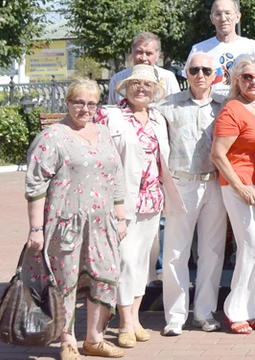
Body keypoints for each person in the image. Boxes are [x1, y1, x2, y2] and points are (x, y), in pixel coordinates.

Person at [24, 78, 128, 360]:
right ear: (68, 103)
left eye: (91, 103)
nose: (85, 109)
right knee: (65, 281)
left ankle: (94, 339)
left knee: (104, 278)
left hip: (102, 222)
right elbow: (35, 185)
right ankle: (67, 341)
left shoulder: (104, 133)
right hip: (65, 222)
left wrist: (120, 217)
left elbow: (116, 175)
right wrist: (36, 229)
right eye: (79, 102)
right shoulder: (53, 137)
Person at [95, 65, 181, 349]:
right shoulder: (110, 115)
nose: (141, 88)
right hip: (121, 203)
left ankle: (135, 318)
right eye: (136, 84)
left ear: (155, 91)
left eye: (148, 85)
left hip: (152, 200)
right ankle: (125, 323)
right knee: (125, 261)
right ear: (126, 87)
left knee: (144, 260)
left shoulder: (158, 118)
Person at [157, 52, 227, 336]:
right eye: (195, 69)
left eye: (206, 70)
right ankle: (174, 316)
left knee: (211, 251)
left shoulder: (224, 106)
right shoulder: (167, 106)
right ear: (186, 73)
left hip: (214, 184)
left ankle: (204, 312)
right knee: (175, 252)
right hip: (181, 183)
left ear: (215, 75)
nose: (200, 75)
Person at [210, 56, 255, 335]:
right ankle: (233, 309)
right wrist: (240, 187)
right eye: (247, 76)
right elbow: (218, 154)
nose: (253, 82)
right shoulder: (232, 110)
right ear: (237, 79)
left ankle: (250, 310)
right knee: (252, 248)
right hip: (238, 186)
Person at [190, 0, 255, 98]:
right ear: (212, 19)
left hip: (244, 109)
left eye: (227, 13)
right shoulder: (199, 50)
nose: (223, 18)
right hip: (210, 111)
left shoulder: (253, 48)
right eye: (218, 14)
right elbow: (191, 84)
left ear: (238, 17)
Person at [108, 32, 180, 105]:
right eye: (139, 52)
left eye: (149, 53)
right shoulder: (117, 79)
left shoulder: (168, 78)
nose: (143, 58)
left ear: (157, 56)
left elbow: (176, 109)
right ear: (132, 53)